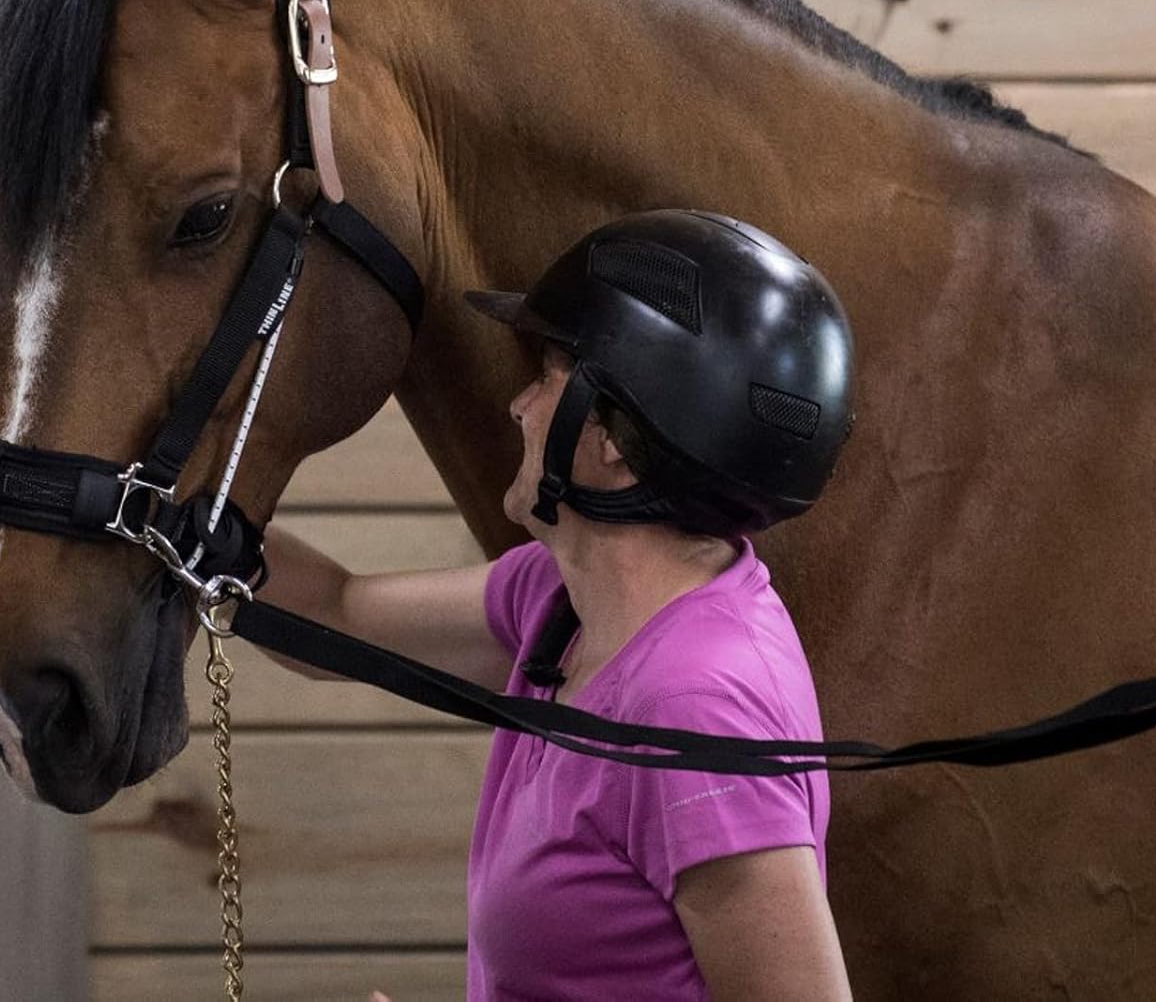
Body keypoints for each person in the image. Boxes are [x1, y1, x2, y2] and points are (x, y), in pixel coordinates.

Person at [261, 210, 856, 1000]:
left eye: (545, 376)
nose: (518, 406)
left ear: (612, 436)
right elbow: (335, 614)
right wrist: (157, 512)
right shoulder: (562, 603)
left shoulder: (695, 706)